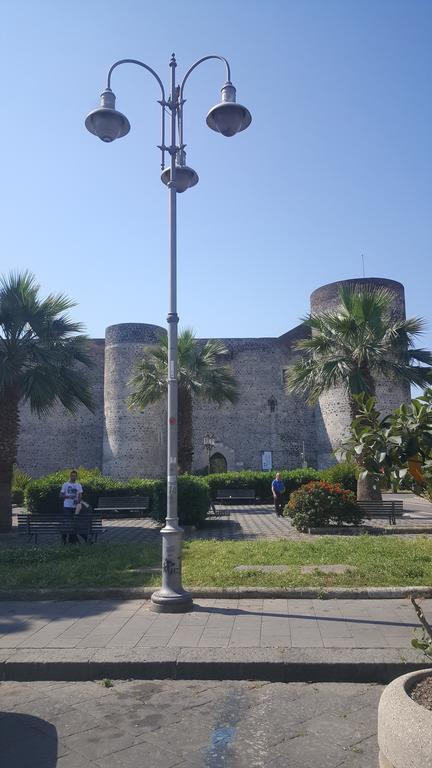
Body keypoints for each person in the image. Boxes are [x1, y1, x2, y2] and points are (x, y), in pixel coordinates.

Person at [60, 469, 83, 543]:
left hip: (75, 507)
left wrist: (78, 500)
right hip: (67, 506)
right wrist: (68, 497)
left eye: (75, 476)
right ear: (70, 476)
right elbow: (61, 495)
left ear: (76, 477)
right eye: (72, 476)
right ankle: (64, 538)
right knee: (67, 523)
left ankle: (72, 540)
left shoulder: (78, 485)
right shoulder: (65, 484)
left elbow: (80, 495)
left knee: (74, 524)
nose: (73, 477)